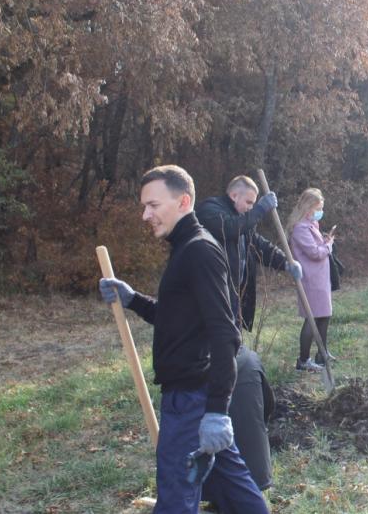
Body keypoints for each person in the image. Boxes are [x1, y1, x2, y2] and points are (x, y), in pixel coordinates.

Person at [98, 165, 268, 513]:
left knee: (176, 494)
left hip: (191, 399)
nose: (145, 214)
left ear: (183, 201)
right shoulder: (185, 248)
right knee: (237, 490)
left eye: (153, 205)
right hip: (195, 394)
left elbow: (225, 333)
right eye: (144, 206)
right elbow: (179, 318)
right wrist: (133, 300)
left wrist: (217, 411)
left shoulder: (199, 251)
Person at [195, 176, 302, 332]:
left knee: (233, 339)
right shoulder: (209, 209)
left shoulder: (242, 220)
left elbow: (258, 244)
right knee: (218, 338)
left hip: (236, 293)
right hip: (214, 292)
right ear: (234, 196)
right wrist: (260, 209)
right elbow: (230, 229)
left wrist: (285, 262)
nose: (251, 208)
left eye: (253, 204)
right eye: (249, 202)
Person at [204, 345, 275, 501]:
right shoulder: (250, 360)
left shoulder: (197, 368)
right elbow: (269, 405)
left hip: (215, 478)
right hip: (256, 475)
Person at [288, 188, 335, 372]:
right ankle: (303, 360)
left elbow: (316, 246)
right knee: (312, 318)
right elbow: (315, 253)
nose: (320, 211)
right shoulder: (300, 228)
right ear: (308, 208)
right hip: (310, 279)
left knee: (324, 315)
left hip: (320, 278)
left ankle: (322, 354)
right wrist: (329, 245)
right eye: (318, 208)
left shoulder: (312, 224)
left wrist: (324, 240)